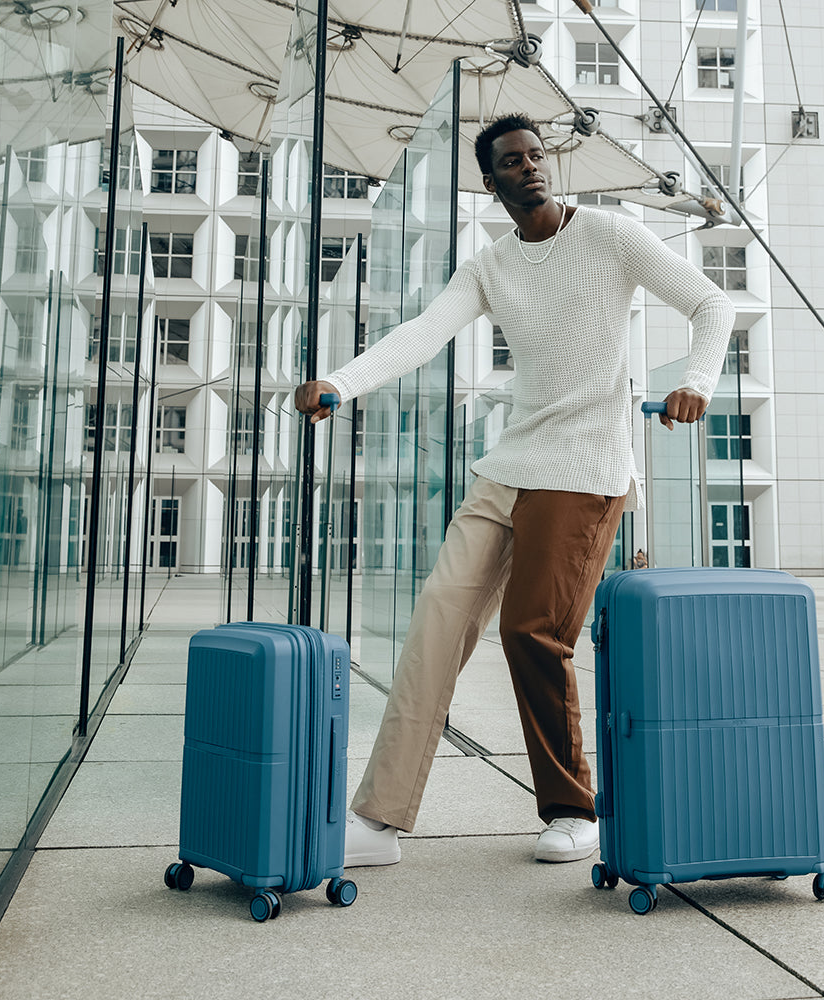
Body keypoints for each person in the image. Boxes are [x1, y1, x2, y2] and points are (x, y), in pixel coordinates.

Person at [295, 113, 733, 866]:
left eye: (536, 155)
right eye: (512, 160)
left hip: (583, 468)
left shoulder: (612, 235)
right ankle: (378, 821)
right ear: (490, 179)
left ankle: (573, 809)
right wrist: (339, 382)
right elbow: (421, 334)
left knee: (532, 631)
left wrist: (697, 382)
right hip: (510, 467)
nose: (530, 166)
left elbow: (710, 304)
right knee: (435, 625)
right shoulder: (490, 265)